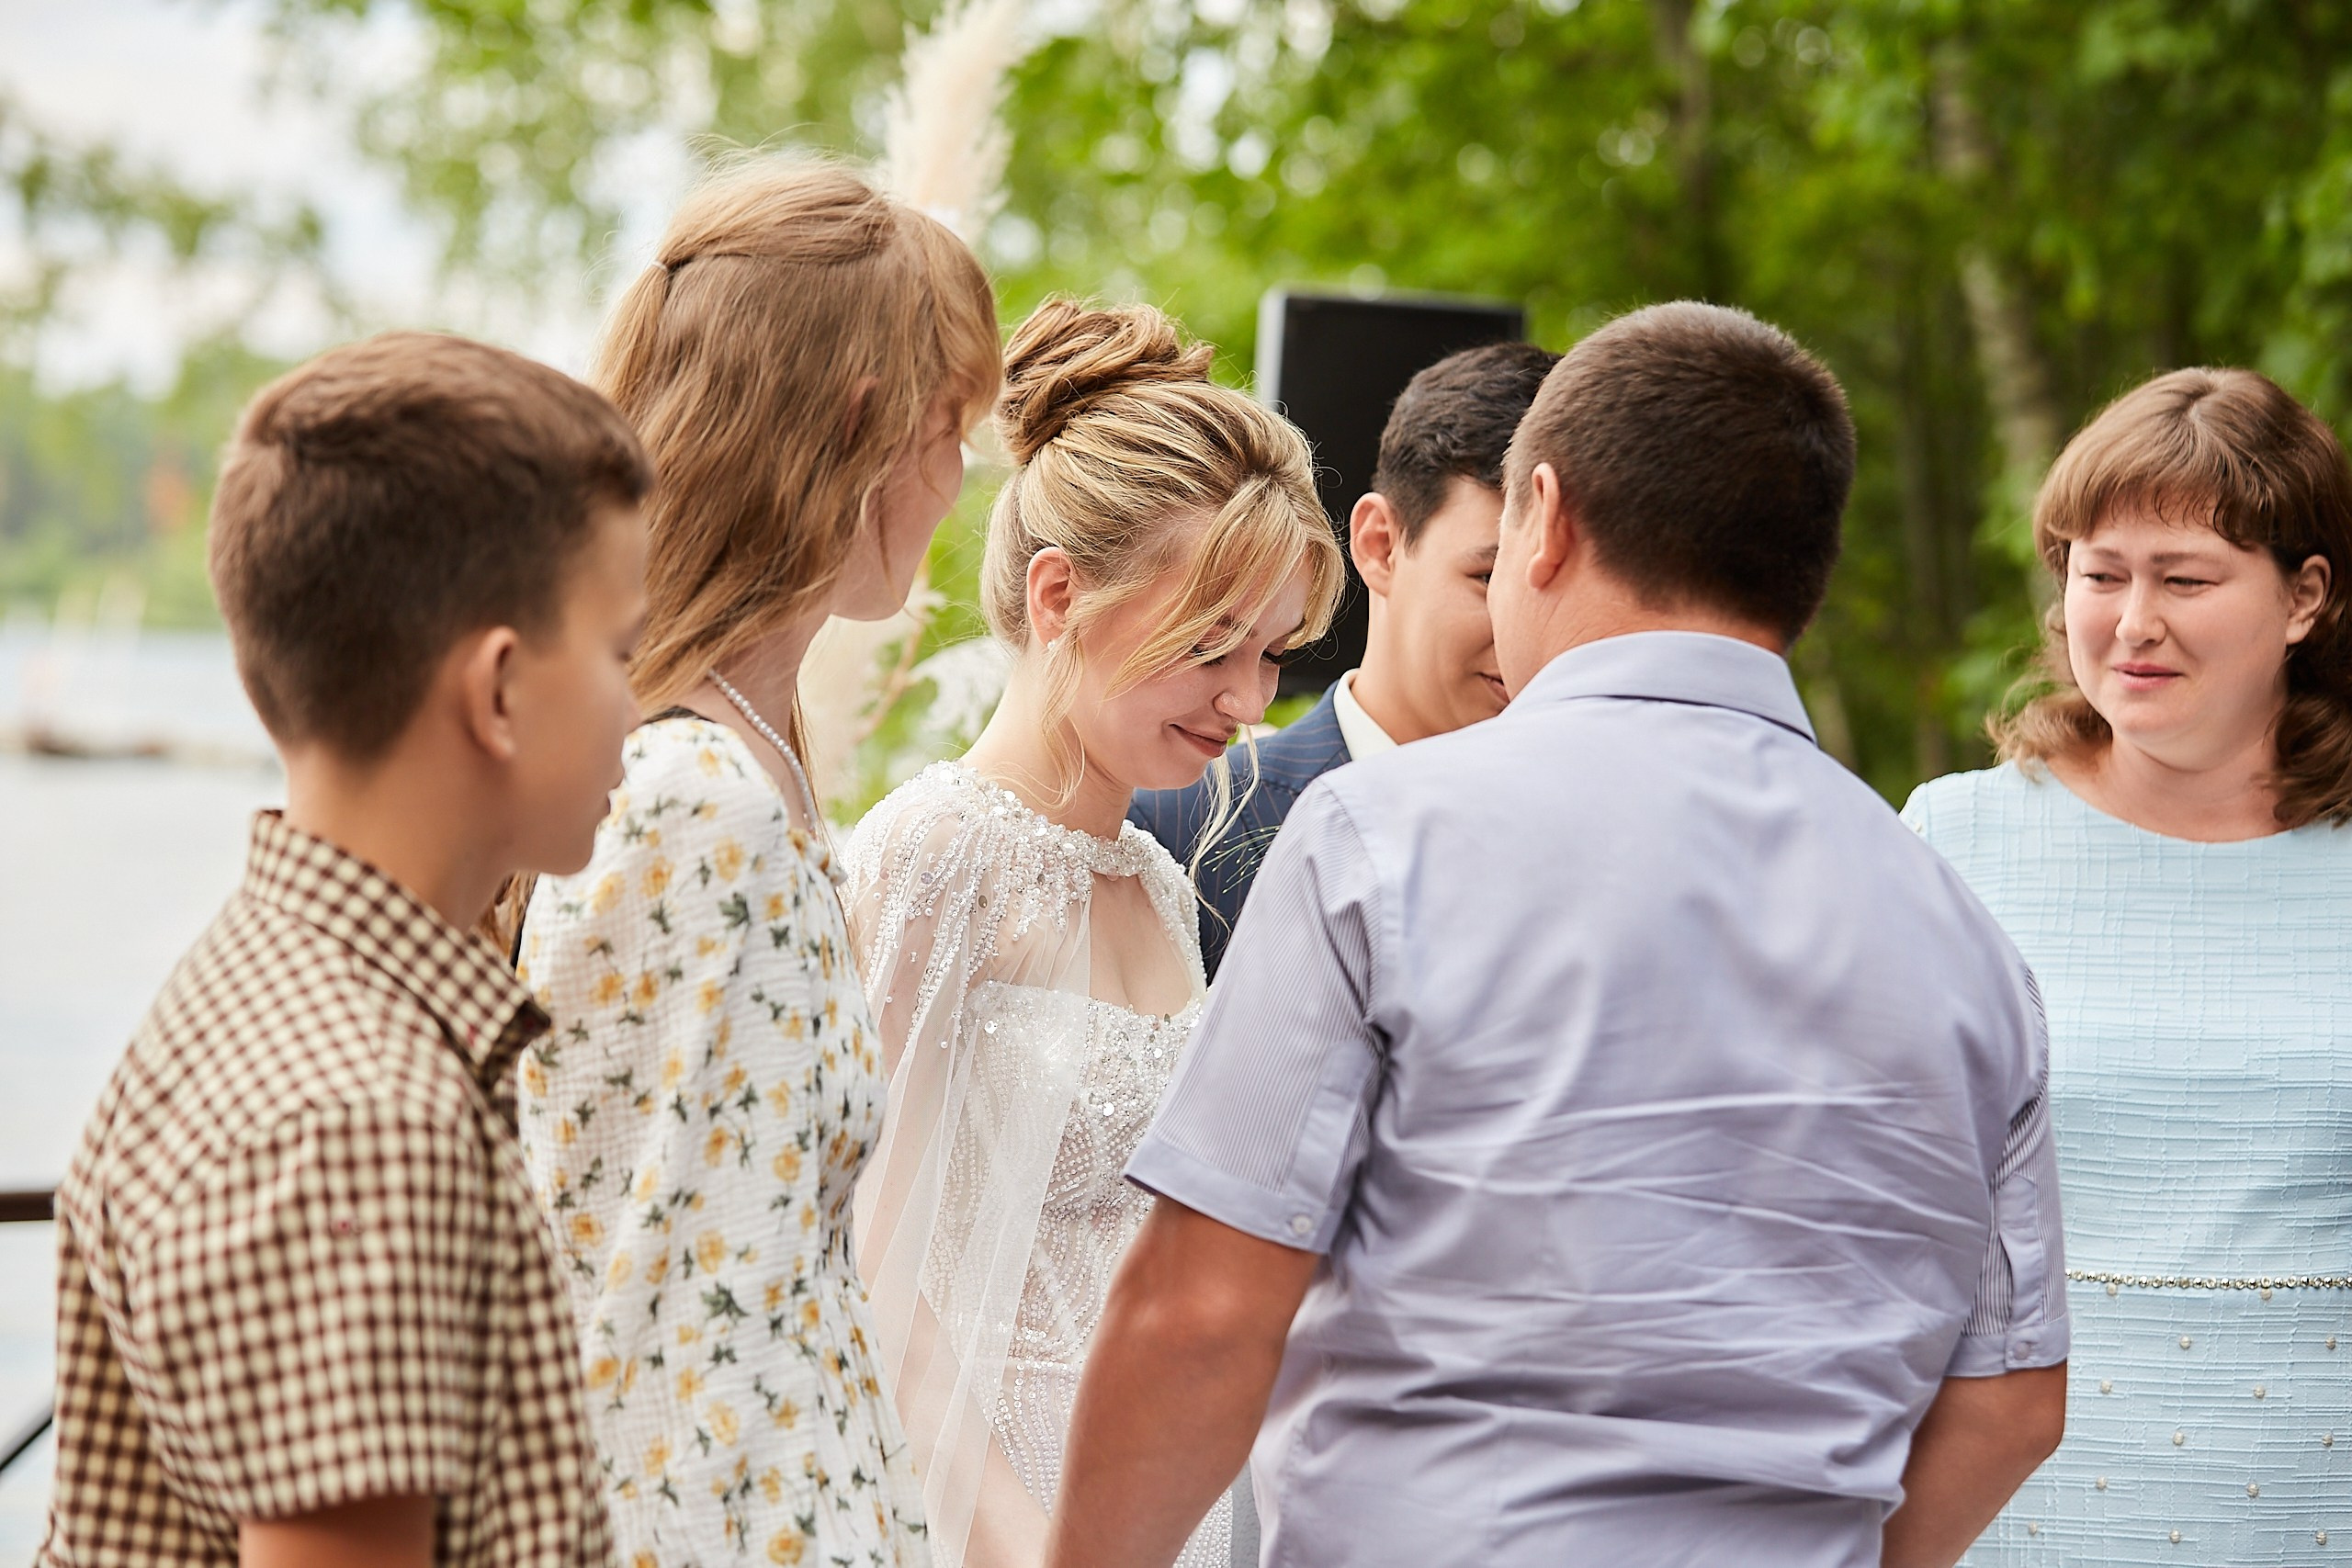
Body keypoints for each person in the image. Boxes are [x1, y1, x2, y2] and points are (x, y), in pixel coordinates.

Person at [1042, 301, 2070, 1568]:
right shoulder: (1965, 936)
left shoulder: (1380, 841)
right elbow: (2017, 1395)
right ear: (1805, 569)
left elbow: (1203, 1308)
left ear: (1548, 517)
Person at [40, 331, 652, 1568]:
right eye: (621, 650)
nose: (638, 704)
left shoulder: (252, 986)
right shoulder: (363, 1118)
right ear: (498, 690)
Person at [511, 159, 999, 1568]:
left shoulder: (747, 771)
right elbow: (631, 1289)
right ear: (863, 428)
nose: (955, 479)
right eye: (948, 426)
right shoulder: (693, 796)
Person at [841, 299, 1344, 1568]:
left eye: (1272, 650)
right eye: (1209, 644)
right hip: (975, 1517)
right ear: (1061, 593)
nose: (1247, 699)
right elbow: (865, 1275)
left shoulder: (1159, 883)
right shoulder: (932, 851)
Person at [1903, 367, 2352, 1566]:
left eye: (2185, 578)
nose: (2132, 620)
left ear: (2307, 596)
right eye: (2100, 573)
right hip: (2018, 1508)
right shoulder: (1953, 840)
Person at [1128, 340, 1558, 978]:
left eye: (1553, 585)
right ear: (1380, 545)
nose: (1528, 630)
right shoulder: (1182, 824)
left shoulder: (1592, 840)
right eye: (1489, 576)